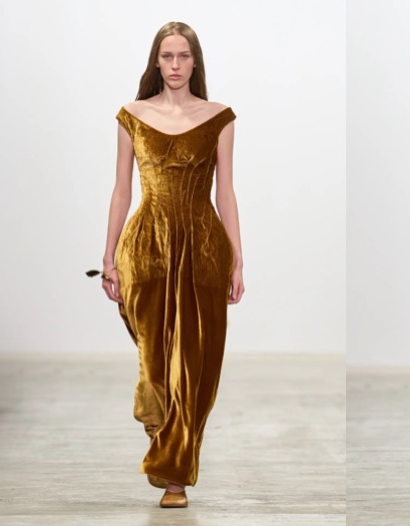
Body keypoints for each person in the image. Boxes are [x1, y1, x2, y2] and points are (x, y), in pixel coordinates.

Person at [93, 21, 244, 509]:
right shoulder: (131, 117)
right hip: (146, 250)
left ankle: (175, 474)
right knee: (156, 358)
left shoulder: (220, 118)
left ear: (195, 61)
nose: (175, 65)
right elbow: (121, 190)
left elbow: (225, 193)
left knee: (197, 362)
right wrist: (109, 256)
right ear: (155, 62)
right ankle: (162, 428)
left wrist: (237, 260)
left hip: (203, 249)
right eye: (167, 56)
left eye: (183, 56)